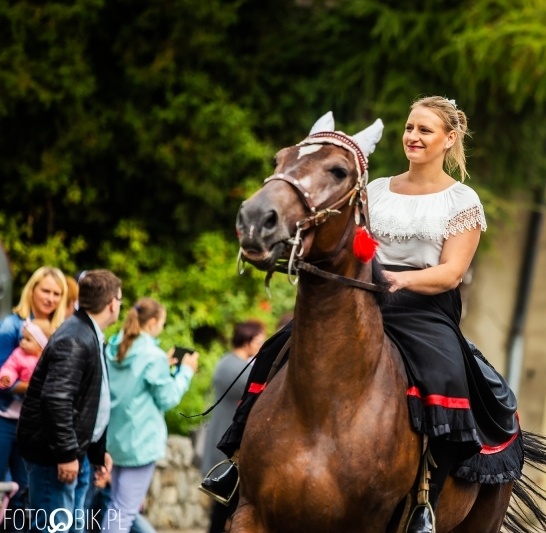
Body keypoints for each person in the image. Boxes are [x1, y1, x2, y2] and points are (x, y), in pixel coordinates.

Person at [201, 96, 521, 533]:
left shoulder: (462, 200)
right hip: (361, 297)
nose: (413, 137)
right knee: (274, 351)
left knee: (445, 374)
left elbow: (451, 273)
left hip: (423, 309)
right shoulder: (376, 189)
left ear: (449, 139)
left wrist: (398, 280)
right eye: (409, 128)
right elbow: (347, 242)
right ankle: (238, 465)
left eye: (425, 130)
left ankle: (425, 499)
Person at [17, 269, 120, 533]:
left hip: (77, 452)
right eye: (120, 300)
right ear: (112, 303)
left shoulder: (88, 332)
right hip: (55, 456)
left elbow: (89, 401)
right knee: (52, 529)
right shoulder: (75, 337)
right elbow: (56, 399)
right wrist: (65, 454)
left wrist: (97, 451)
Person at [104, 297, 199, 533]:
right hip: (140, 444)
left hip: (115, 440)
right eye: (162, 324)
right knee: (124, 512)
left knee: (117, 506)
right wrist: (186, 372)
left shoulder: (115, 346)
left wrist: (162, 365)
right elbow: (168, 398)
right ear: (153, 322)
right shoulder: (152, 356)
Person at [200, 320, 265, 533]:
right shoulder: (234, 367)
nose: (261, 345)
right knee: (223, 510)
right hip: (227, 443)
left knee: (224, 508)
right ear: (247, 341)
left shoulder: (229, 362)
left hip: (223, 437)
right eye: (258, 340)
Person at [0, 318, 54, 530]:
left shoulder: (46, 361)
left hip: (30, 423)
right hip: (7, 417)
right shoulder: (18, 355)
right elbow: (9, 368)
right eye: (22, 338)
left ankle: (17, 526)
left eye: (28, 340)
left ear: (40, 344)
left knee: (23, 483)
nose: (22, 342)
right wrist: (6, 378)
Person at [0, 266, 68, 366]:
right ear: (31, 290)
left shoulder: (63, 329)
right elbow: (3, 370)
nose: (50, 299)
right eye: (45, 291)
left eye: (56, 294)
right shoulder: (10, 326)